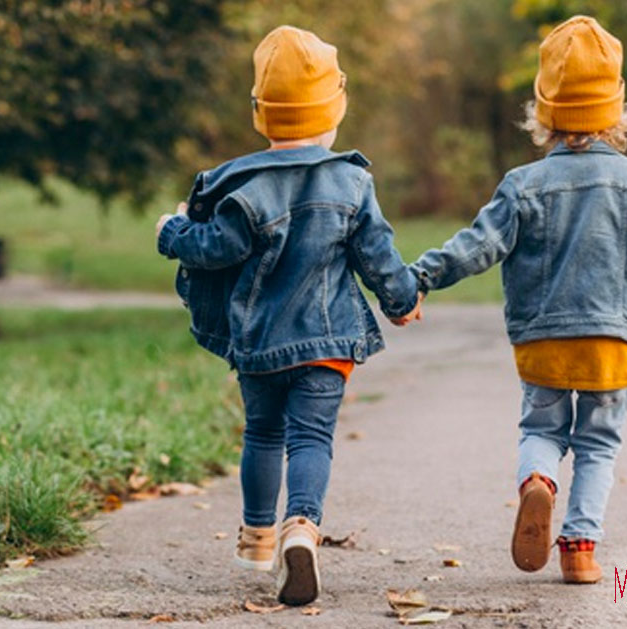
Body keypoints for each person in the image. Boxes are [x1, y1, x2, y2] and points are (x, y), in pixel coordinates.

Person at [410, 16, 627, 584]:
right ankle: (579, 549)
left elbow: (476, 247)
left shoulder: (522, 185)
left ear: (543, 113)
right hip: (613, 343)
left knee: (541, 430)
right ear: (618, 110)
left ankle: (538, 481)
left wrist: (420, 277)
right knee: (598, 444)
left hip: (543, 341)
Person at [155, 25, 422, 605]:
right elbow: (378, 255)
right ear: (335, 110)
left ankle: (256, 536)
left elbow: (215, 248)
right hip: (327, 345)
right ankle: (301, 527)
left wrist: (172, 231)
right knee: (311, 438)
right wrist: (403, 301)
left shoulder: (244, 187)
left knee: (262, 433)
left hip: (259, 343)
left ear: (261, 114)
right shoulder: (352, 182)